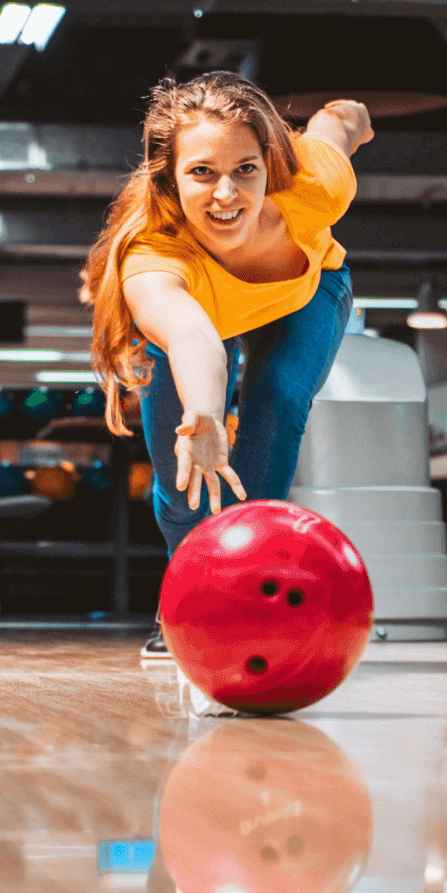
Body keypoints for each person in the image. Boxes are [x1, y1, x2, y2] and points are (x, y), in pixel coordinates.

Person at [82, 73, 373, 660]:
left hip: (305, 295)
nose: (227, 194)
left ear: (269, 163)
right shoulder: (153, 255)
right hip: (204, 318)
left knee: (279, 396)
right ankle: (187, 592)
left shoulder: (314, 184)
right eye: (202, 172)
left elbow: (337, 125)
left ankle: (244, 594)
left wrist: (351, 116)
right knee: (184, 474)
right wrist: (207, 414)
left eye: (245, 169)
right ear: (170, 176)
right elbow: (192, 337)